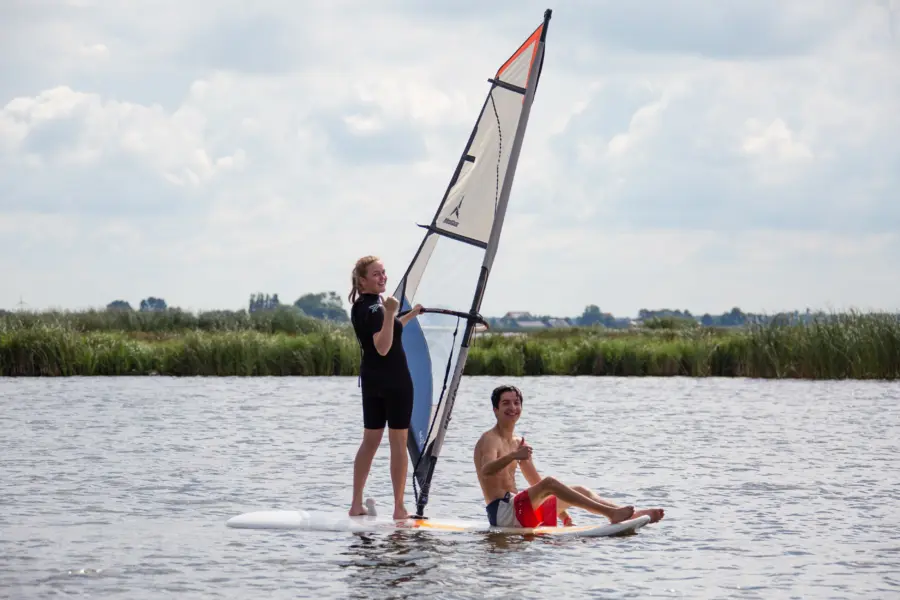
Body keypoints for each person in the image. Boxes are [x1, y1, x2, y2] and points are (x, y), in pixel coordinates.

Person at [473, 384, 665, 528]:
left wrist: (562, 515)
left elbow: (536, 484)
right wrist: (514, 455)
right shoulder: (489, 439)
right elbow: (487, 470)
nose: (512, 407)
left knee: (580, 489)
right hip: (502, 514)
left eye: (516, 403)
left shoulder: (518, 442)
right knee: (550, 482)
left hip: (521, 512)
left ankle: (628, 516)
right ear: (495, 410)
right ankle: (611, 513)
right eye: (506, 403)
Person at [347, 255, 423, 520]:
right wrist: (391, 311)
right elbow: (383, 346)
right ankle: (399, 507)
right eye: (376, 274)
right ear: (362, 280)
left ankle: (356, 503)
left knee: (370, 441)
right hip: (395, 382)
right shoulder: (378, 309)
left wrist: (410, 314)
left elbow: (390, 327)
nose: (383, 278)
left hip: (372, 382)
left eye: (384, 272)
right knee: (398, 442)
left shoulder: (362, 307)